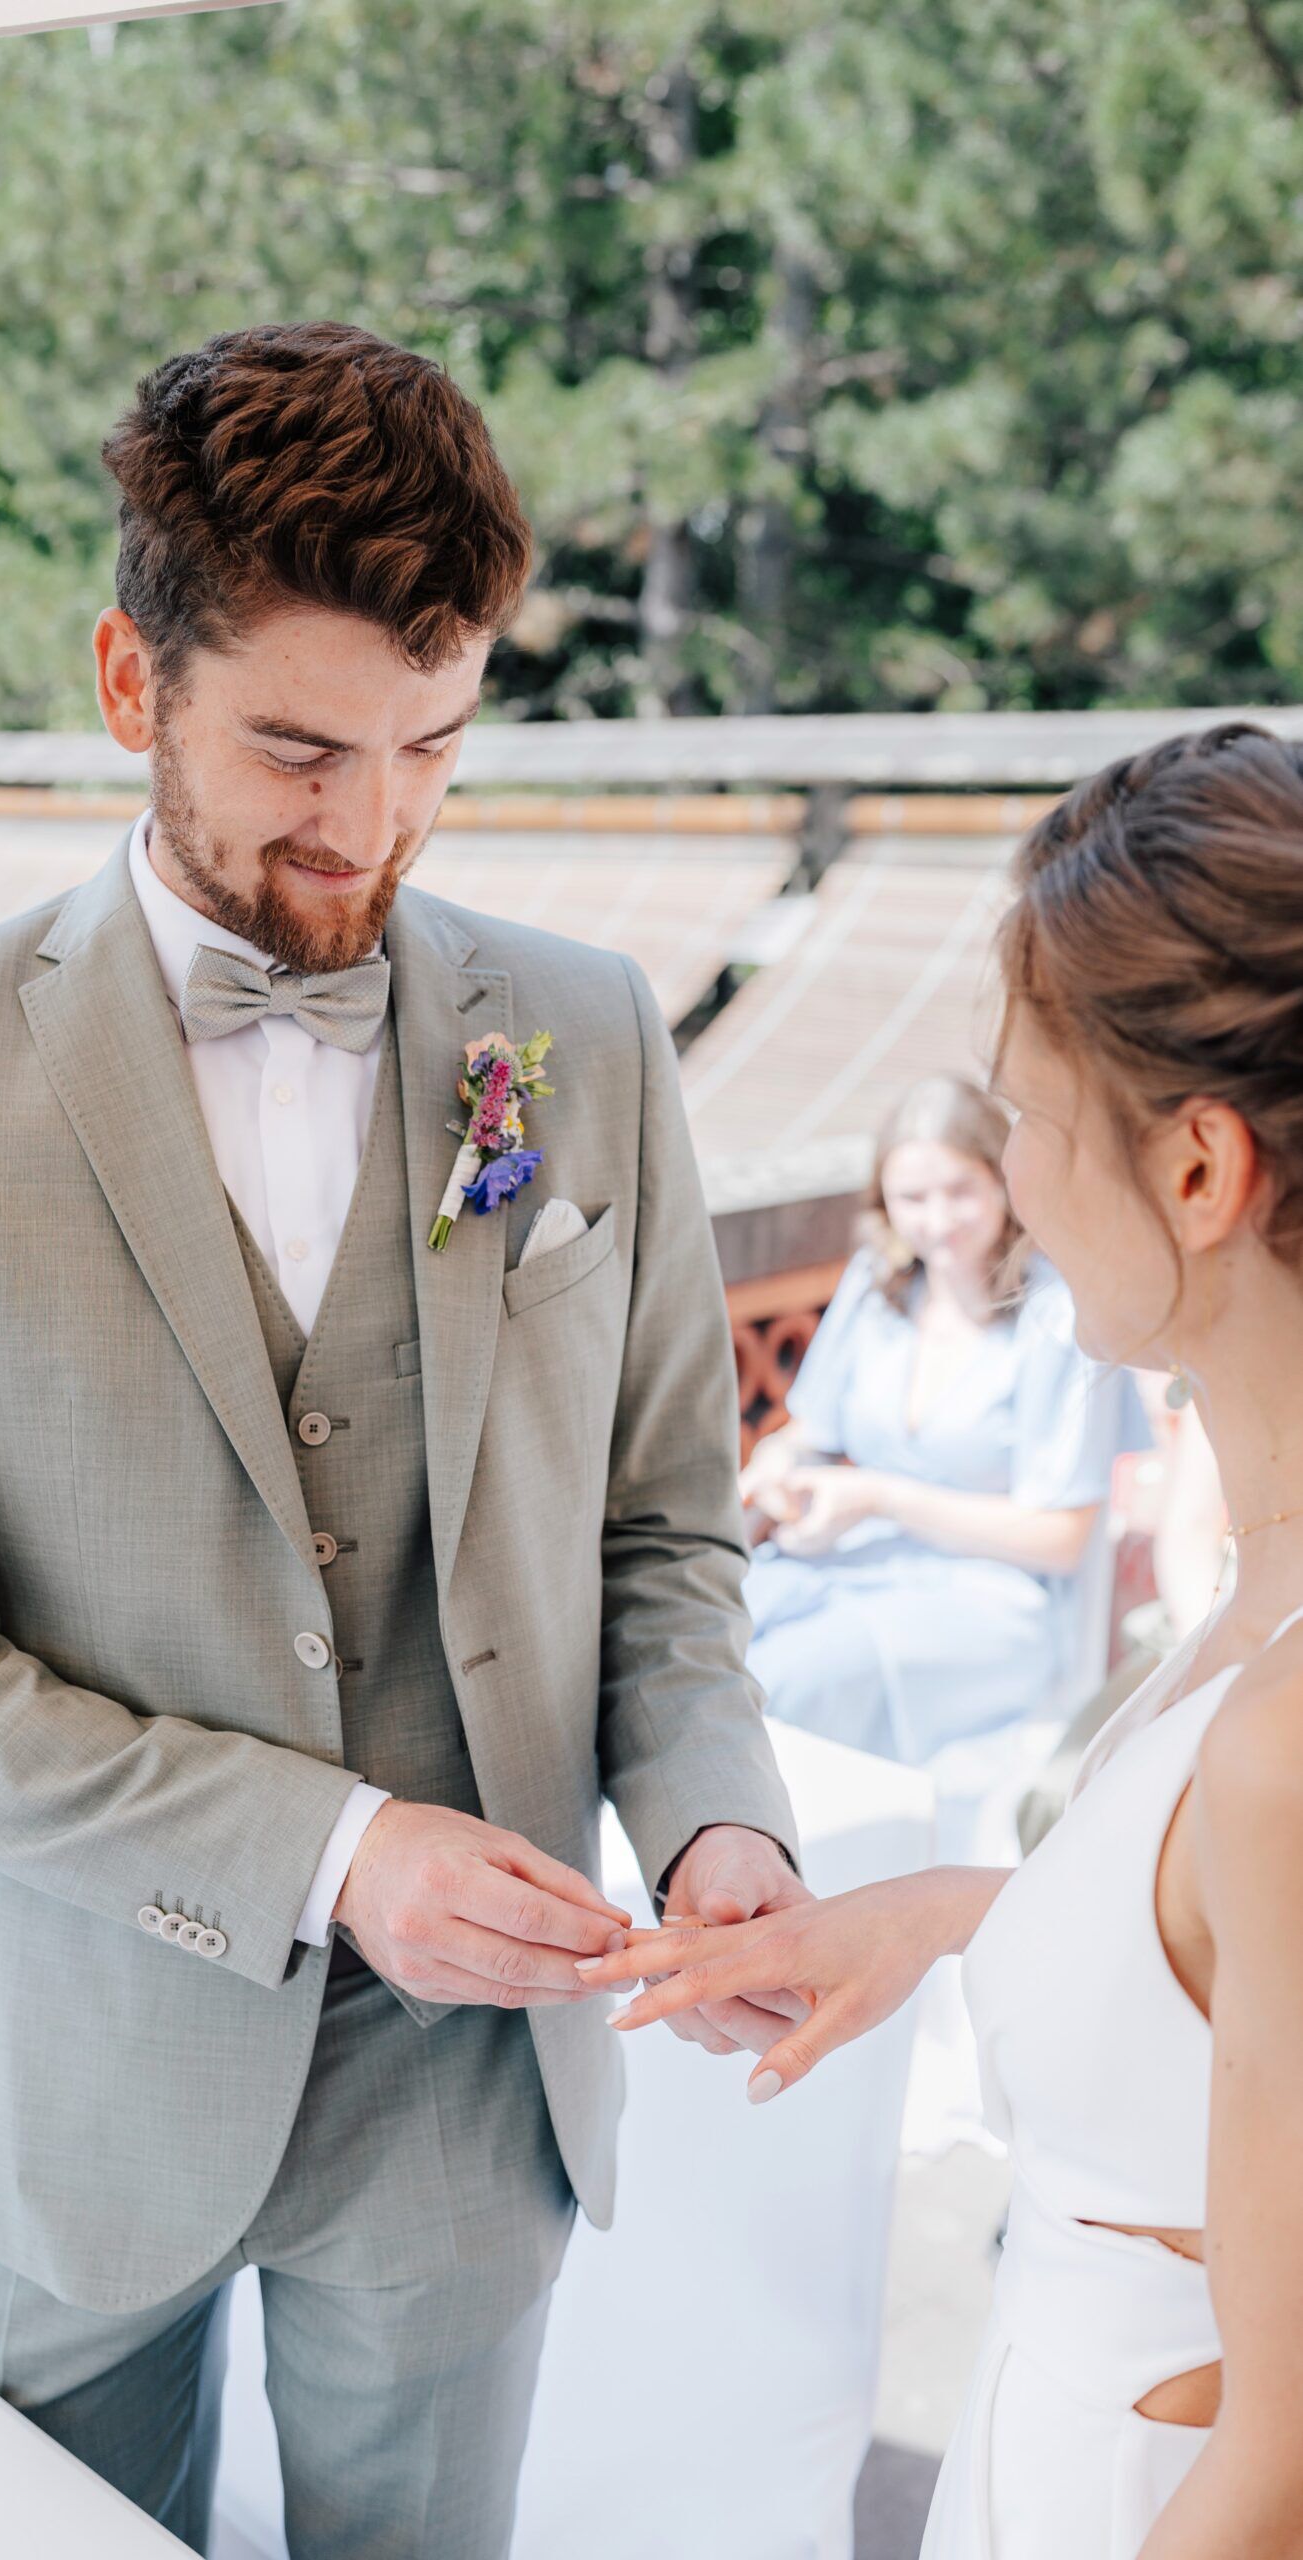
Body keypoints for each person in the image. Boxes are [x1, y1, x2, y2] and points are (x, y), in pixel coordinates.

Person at [0, 323, 801, 2560]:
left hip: (466, 2101)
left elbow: (661, 1532)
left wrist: (717, 1821)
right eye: (301, 750)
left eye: (432, 743)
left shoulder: (583, 1038)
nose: (373, 828)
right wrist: (334, 1854)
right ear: (132, 683)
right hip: (77, 2066)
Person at [584, 723, 1303, 2557]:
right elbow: (1215, 1971)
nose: (1012, 1190)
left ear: (1200, 1171)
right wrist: (942, 1918)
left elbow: (1278, 2464)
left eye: (1027, 1123)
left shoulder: (1286, 1730)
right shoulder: (1254, 1581)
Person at [741, 1072, 1143, 1846]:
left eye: (958, 1191)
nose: (936, 1223)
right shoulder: (875, 1283)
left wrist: (882, 1498)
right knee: (716, 1632)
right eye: (910, 1199)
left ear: (1002, 1178)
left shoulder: (1056, 1316)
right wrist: (769, 1466)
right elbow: (808, 1430)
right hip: (855, 1559)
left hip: (995, 1604)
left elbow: (1060, 1537)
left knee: (787, 1676)